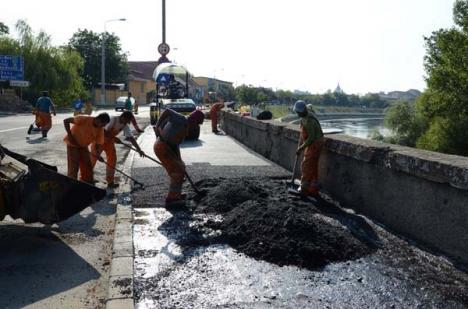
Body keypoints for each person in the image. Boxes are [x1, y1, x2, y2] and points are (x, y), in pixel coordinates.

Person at [90, 111, 145, 188]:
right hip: (99, 141)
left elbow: (131, 138)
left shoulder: (124, 125)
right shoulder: (113, 119)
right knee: (93, 159)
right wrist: (114, 138)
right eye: (127, 120)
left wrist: (139, 150)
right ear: (123, 117)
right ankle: (87, 179)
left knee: (112, 160)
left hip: (109, 142)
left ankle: (110, 181)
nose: (126, 123)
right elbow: (103, 131)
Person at [153, 108, 188, 207]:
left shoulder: (185, 125)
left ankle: (177, 195)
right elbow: (167, 111)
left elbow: (175, 145)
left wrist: (180, 162)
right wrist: (158, 125)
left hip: (168, 147)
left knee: (181, 168)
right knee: (177, 173)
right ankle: (171, 199)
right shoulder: (181, 119)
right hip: (162, 146)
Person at [63, 113, 110, 184]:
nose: (103, 126)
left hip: (83, 146)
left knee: (87, 165)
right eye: (103, 124)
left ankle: (87, 181)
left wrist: (98, 155)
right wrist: (70, 136)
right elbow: (66, 121)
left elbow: (98, 144)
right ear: (98, 120)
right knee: (74, 166)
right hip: (72, 144)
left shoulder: (100, 129)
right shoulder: (84, 118)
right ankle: (71, 182)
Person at [293, 100, 324, 197]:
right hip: (315, 142)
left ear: (302, 111)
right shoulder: (305, 117)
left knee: (306, 165)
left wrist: (301, 148)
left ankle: (304, 188)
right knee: (313, 166)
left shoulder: (310, 120)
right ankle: (313, 188)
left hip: (315, 143)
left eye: (298, 112)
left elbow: (311, 138)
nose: (297, 114)